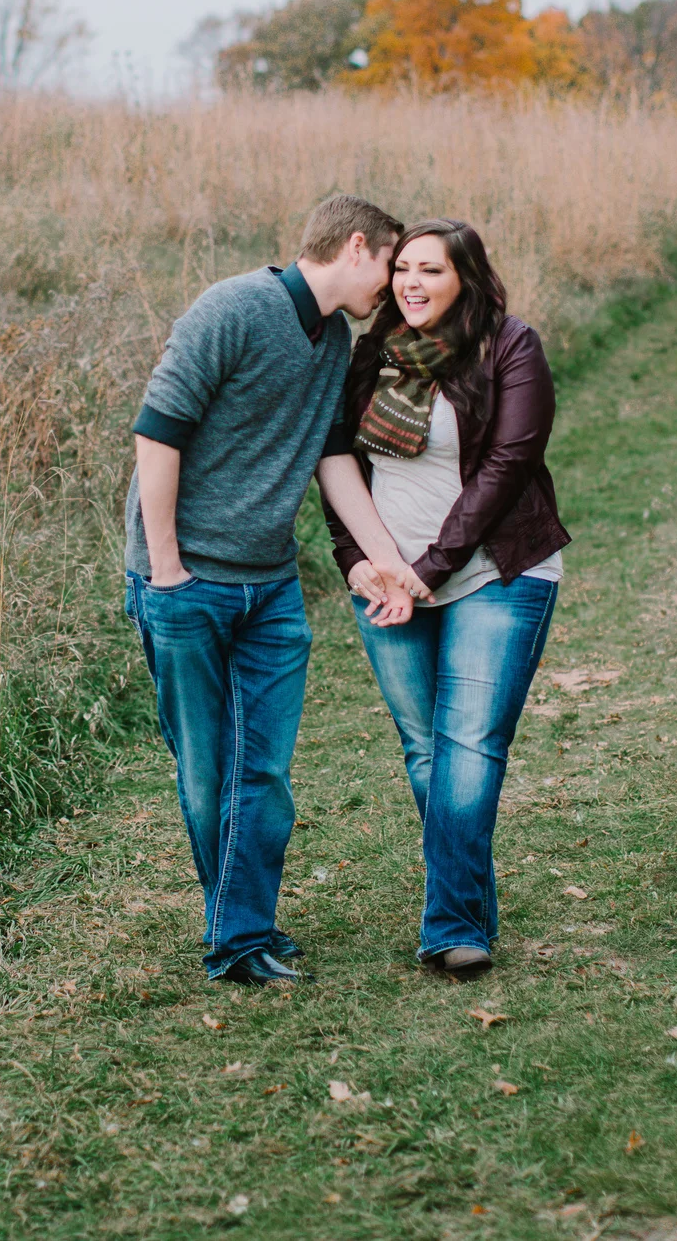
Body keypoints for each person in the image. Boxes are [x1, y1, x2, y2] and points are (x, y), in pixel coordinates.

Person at [125, 194, 428, 987]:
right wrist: (166, 570)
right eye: (390, 266)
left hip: (269, 585)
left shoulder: (332, 340)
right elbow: (157, 435)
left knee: (262, 770)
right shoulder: (232, 308)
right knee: (206, 770)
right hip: (186, 579)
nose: (392, 287)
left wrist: (387, 556)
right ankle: (240, 929)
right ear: (356, 247)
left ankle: (240, 930)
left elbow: (332, 461)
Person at [320, 219, 570, 980]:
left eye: (431, 269)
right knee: (427, 750)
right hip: (392, 580)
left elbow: (508, 463)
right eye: (402, 268)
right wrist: (358, 559)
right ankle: (469, 904)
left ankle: (450, 924)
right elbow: (333, 459)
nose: (411, 282)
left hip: (495, 572)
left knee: (467, 746)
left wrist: (431, 565)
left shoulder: (510, 345)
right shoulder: (374, 354)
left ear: (466, 276)